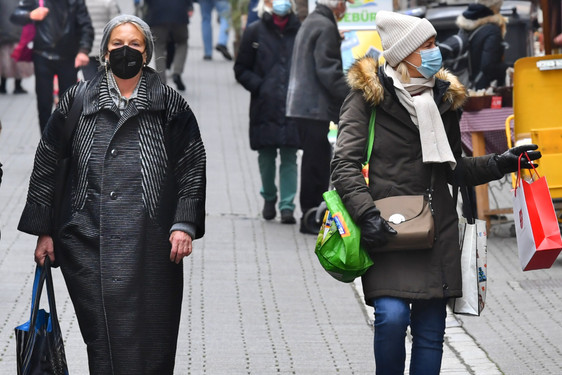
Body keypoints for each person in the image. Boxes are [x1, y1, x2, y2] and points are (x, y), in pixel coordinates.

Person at [331, 11, 540, 374]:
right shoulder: (366, 99)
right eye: (426, 45)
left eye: (433, 43)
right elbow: (344, 166)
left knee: (431, 330)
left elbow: (454, 169)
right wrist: (367, 215)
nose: (436, 51)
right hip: (387, 228)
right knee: (391, 318)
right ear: (404, 53)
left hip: (435, 230)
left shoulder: (443, 100)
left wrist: (504, 162)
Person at [17, 14, 206, 374]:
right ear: (104, 52)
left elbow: (192, 164)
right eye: (118, 45)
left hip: (152, 247)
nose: (126, 51)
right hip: (86, 243)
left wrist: (183, 223)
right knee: (101, 342)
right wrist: (45, 230)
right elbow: (47, 161)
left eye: (135, 45)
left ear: (147, 53)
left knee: (153, 343)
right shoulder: (78, 100)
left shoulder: (169, 105)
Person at [285, 0, 350, 234]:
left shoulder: (314, 20)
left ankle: (310, 213)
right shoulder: (324, 25)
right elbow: (328, 70)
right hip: (313, 106)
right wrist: (354, 92)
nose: (345, 7)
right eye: (344, 2)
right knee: (317, 163)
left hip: (305, 105)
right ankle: (311, 215)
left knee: (315, 161)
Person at [234, 0, 300, 223]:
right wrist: (261, 87)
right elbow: (241, 68)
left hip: (292, 104)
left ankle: (288, 205)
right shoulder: (255, 31)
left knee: (290, 155)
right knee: (267, 154)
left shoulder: (299, 30)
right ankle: (269, 197)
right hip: (265, 104)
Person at [10, 0, 94, 133]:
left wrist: (83, 50)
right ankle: (45, 142)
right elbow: (15, 15)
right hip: (42, 56)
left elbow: (85, 25)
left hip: (68, 57)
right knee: (44, 103)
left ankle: (66, 141)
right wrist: (30, 14)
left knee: (69, 103)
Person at [456, 0, 510, 90]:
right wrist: (511, 67)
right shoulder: (492, 30)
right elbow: (488, 66)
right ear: (494, 7)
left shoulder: (465, 26)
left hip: (463, 84)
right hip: (483, 90)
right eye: (499, 7)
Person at [144, 0, 193, 91]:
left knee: (159, 46)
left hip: (157, 16)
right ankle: (177, 72)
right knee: (182, 43)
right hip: (179, 15)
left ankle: (161, 80)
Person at [82, 0, 120, 80]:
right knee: (107, 82)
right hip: (106, 48)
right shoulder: (109, 2)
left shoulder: (82, 3)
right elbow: (117, 25)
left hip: (88, 49)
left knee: (90, 83)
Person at [0, 0, 33, 94]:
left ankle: (3, 86)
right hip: (19, 34)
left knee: (4, 62)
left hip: (3, 34)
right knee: (18, 62)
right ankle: (17, 86)